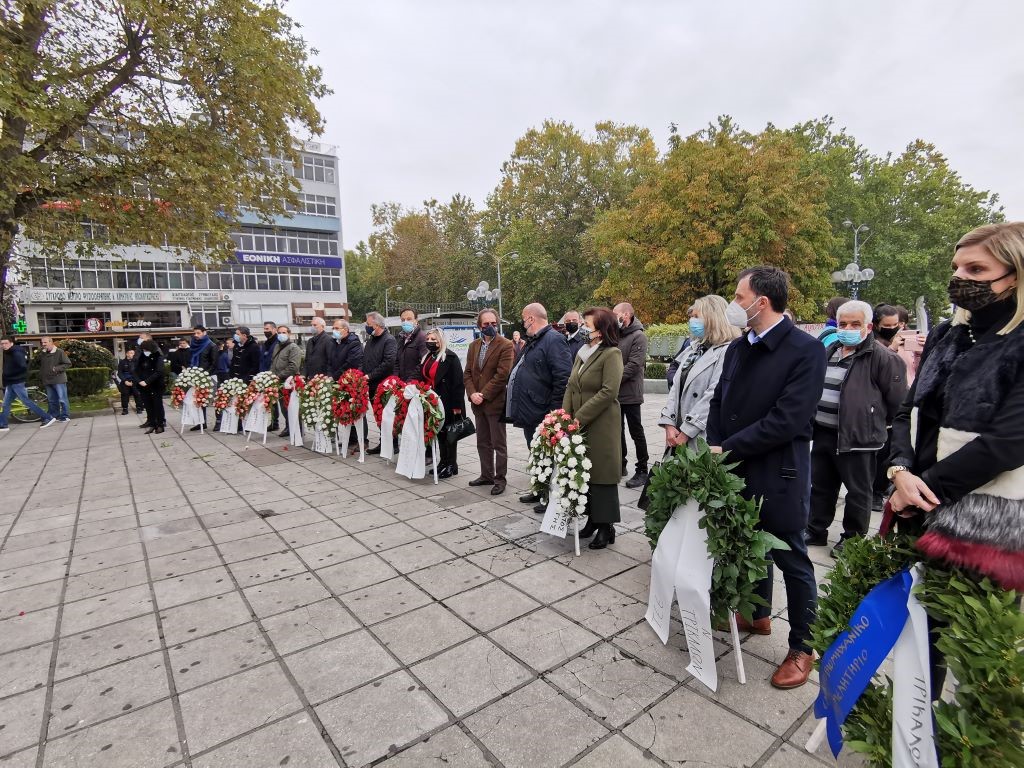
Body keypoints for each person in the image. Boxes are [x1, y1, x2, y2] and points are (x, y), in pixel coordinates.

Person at [888, 222, 1024, 598]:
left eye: (976, 270)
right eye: (957, 268)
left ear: (1015, 276)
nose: (959, 278)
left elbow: (1008, 442)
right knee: (919, 638)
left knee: (966, 641)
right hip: (916, 509)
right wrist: (900, 470)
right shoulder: (947, 333)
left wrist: (923, 488)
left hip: (985, 529)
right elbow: (907, 411)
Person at [707, 265, 826, 689]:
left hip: (780, 471)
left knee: (791, 559)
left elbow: (789, 420)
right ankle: (757, 616)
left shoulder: (805, 350)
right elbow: (720, 400)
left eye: (739, 298)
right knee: (749, 547)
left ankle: (802, 647)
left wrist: (730, 446)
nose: (734, 305)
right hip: (738, 467)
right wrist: (715, 443)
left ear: (762, 301)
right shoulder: (739, 347)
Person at [803, 300, 907, 555]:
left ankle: (851, 540)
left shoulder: (884, 359)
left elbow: (896, 401)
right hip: (824, 433)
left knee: (858, 492)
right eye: (843, 323)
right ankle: (815, 530)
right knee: (822, 487)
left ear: (868, 326)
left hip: (859, 438)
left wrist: (875, 423)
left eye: (854, 324)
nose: (847, 328)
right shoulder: (829, 350)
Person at [562, 307, 624, 549]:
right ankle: (592, 519)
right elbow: (571, 385)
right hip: (579, 423)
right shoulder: (583, 352)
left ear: (601, 329)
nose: (584, 328)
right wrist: (565, 416)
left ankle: (606, 526)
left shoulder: (612, 354)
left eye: (588, 324)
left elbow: (609, 392)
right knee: (583, 472)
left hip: (601, 423)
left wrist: (580, 417)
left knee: (601, 475)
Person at [506, 302, 572, 513]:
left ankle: (549, 495)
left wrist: (554, 413)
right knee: (536, 453)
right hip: (530, 410)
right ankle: (539, 489)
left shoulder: (553, 339)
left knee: (548, 455)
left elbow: (563, 377)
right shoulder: (536, 340)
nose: (523, 323)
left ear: (532, 318)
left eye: (524, 318)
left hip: (544, 411)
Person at [659, 296, 740, 447]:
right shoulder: (693, 349)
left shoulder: (728, 350)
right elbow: (676, 387)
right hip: (677, 430)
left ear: (713, 318)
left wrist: (687, 430)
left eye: (696, 316)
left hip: (701, 433)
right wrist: (668, 423)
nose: (692, 321)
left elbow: (714, 394)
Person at [464, 308, 515, 495]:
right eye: (486, 324)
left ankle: (500, 479)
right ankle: (486, 474)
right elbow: (468, 373)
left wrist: (483, 394)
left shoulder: (506, 345)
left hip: (494, 402)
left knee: (498, 443)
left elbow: (502, 375)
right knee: (482, 442)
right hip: (477, 403)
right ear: (479, 326)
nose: (490, 327)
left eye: (493, 323)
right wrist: (472, 394)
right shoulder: (473, 346)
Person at [613, 302, 650, 489]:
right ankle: (621, 464)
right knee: (616, 431)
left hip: (631, 393)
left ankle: (642, 469)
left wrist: (612, 378)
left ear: (626, 314)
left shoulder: (639, 336)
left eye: (616, 314)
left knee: (636, 432)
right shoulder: (617, 335)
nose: (614, 317)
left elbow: (634, 365)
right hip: (616, 394)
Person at [420, 329, 465, 478]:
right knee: (439, 433)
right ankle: (443, 462)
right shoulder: (428, 357)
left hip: (449, 402)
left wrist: (457, 407)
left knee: (450, 434)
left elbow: (458, 383)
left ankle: (452, 464)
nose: (430, 341)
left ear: (440, 340)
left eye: (434, 338)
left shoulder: (450, 357)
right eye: (428, 338)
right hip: (434, 402)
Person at [362, 311, 398, 454]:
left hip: (383, 385)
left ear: (377, 325)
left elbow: (388, 363)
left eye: (369, 324)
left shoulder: (389, 340)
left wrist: (370, 376)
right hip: (371, 385)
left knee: (387, 416)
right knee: (378, 416)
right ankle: (384, 442)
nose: (367, 326)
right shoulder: (371, 340)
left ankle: (393, 444)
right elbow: (365, 359)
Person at [0, 336, 55, 431]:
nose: (3, 345)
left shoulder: (16, 352)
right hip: (11, 382)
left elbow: (22, 366)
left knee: (26, 401)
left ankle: (47, 417)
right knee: (6, 404)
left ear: (11, 343)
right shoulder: (7, 352)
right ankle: (3, 424)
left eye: (6, 343)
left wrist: (9, 374)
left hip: (17, 381)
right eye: (2, 344)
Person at [271, 325, 303, 438]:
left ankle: (297, 428)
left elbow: (293, 366)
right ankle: (289, 426)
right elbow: (274, 363)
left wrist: (279, 375)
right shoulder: (277, 346)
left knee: (292, 405)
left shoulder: (293, 347)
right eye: (279, 332)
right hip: (279, 381)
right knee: (284, 406)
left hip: (289, 381)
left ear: (289, 333)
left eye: (284, 332)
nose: (281, 334)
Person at [187, 325, 218, 431]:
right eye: (195, 333)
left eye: (198, 333)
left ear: (204, 333)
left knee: (214, 400)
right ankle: (201, 422)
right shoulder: (194, 345)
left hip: (208, 376)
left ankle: (218, 422)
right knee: (199, 400)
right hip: (196, 376)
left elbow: (214, 363)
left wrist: (204, 375)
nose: (196, 335)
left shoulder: (211, 345)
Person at [135, 339, 166, 434]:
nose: (144, 351)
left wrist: (147, 381)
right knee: (148, 406)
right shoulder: (141, 357)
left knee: (157, 406)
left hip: (155, 385)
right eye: (143, 350)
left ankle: (160, 425)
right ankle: (152, 424)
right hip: (143, 386)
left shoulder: (158, 357)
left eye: (146, 349)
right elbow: (135, 370)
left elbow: (159, 371)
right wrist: (139, 381)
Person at [39, 336, 72, 422]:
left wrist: (56, 369)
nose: (43, 344)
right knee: (51, 400)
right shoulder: (43, 353)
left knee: (62, 399)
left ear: (51, 342)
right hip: (47, 380)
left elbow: (68, 364)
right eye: (42, 343)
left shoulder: (59, 352)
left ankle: (65, 416)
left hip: (58, 380)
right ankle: (55, 416)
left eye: (45, 342)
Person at [397, 308, 427, 382]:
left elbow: (423, 363)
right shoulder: (401, 338)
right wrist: (395, 379)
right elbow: (396, 361)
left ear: (416, 320)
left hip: (415, 385)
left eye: (409, 319)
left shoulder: (422, 338)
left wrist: (410, 381)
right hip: (401, 383)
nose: (405, 322)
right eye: (403, 320)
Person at [116, 348, 144, 415]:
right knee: (124, 394)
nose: (131, 354)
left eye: (132, 353)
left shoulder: (137, 361)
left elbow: (140, 372)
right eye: (130, 353)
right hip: (126, 380)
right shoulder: (122, 362)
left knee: (137, 394)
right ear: (127, 354)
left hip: (135, 381)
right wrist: (125, 381)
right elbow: (119, 373)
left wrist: (136, 381)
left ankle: (139, 408)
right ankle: (125, 409)